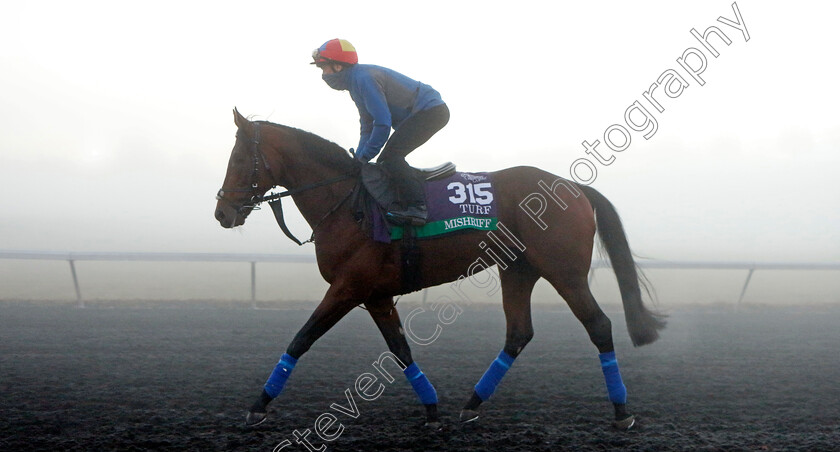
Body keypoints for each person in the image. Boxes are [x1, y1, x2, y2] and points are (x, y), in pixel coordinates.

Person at [311, 38, 450, 226]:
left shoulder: (363, 78)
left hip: (430, 112)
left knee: (390, 158)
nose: (323, 75)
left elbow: (383, 123)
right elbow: (367, 126)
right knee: (388, 158)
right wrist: (359, 159)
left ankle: (418, 208)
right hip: (422, 113)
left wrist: (366, 156)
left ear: (338, 66)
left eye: (324, 68)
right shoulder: (355, 84)